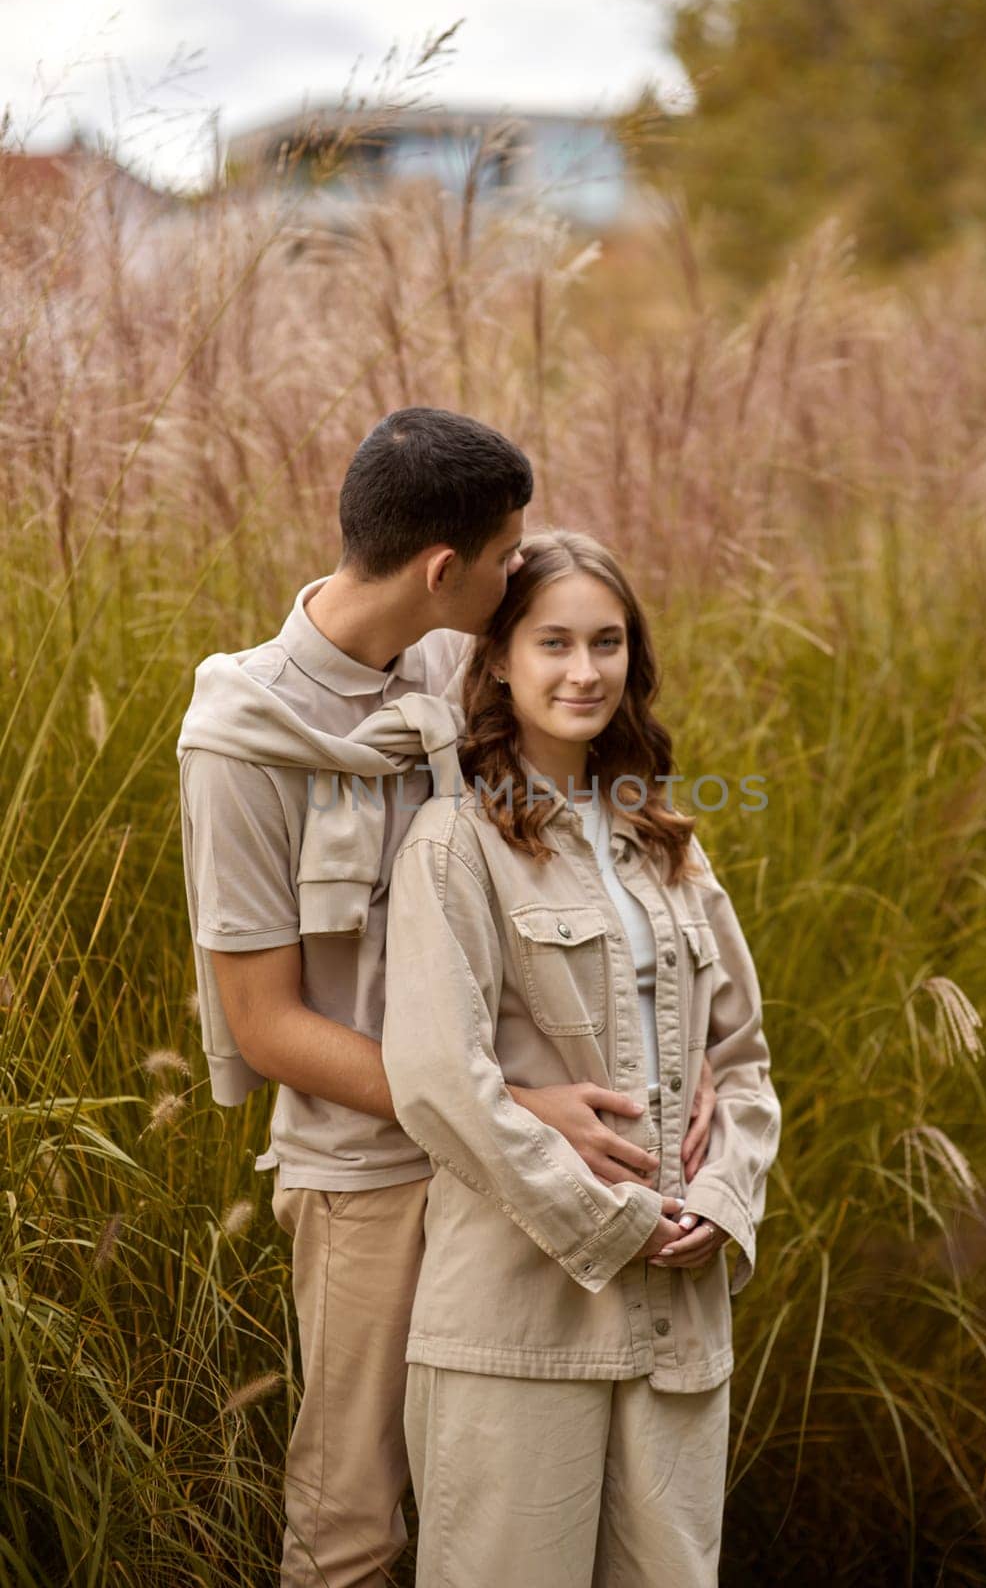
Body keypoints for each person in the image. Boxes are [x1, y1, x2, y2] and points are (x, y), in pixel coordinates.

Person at [176, 409, 719, 1588]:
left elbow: (589, 852)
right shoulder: (239, 742)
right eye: (507, 550)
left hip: (527, 1164)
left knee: (524, 1511)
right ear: (442, 570)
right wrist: (502, 1104)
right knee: (357, 1518)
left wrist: (682, 1038)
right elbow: (265, 1023)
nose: (519, 565)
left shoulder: (451, 657)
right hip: (371, 1172)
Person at [381, 528, 782, 1588]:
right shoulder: (455, 844)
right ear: (500, 658)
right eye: (553, 642)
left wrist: (726, 1198)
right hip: (520, 1322)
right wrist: (615, 1219)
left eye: (607, 642)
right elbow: (439, 1081)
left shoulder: (672, 846)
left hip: (677, 1325)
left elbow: (741, 1059)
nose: (584, 670)